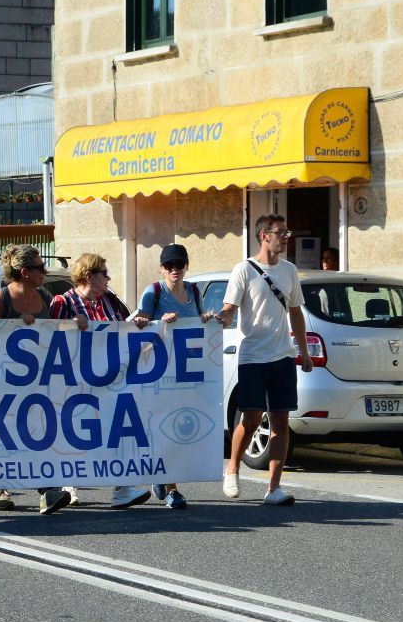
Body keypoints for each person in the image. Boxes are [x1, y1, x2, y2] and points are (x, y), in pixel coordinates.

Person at [217, 214, 313, 506]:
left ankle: (273, 488)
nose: (286, 237)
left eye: (287, 231)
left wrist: (304, 351)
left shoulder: (289, 270)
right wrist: (220, 318)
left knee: (281, 421)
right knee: (251, 417)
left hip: (282, 356)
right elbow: (230, 308)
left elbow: (295, 311)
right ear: (263, 236)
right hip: (253, 357)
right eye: (280, 232)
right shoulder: (243, 269)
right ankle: (232, 468)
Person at [50, 253, 152, 509]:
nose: (108, 278)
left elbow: (122, 327)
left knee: (116, 430)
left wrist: (138, 325)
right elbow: (47, 333)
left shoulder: (110, 301)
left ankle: (122, 488)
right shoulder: (64, 301)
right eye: (104, 273)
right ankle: (67, 484)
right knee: (74, 430)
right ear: (89, 276)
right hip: (73, 378)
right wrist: (70, 324)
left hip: (109, 379)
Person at [0, 244, 74, 515]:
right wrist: (10, 327)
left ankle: (48, 489)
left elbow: (59, 330)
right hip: (5, 382)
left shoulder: (45, 296)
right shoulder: (1, 300)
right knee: (6, 434)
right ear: (24, 272)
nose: (45, 270)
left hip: (40, 381)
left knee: (41, 432)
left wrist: (78, 323)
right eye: (39, 266)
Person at [132, 244, 221, 510]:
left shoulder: (193, 291)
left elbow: (198, 321)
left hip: (187, 371)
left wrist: (205, 318)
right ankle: (171, 488)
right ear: (161, 268)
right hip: (159, 373)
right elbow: (140, 325)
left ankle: (163, 476)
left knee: (179, 427)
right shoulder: (154, 291)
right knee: (164, 426)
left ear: (185, 266)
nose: (174, 270)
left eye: (179, 265)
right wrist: (160, 322)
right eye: (169, 266)